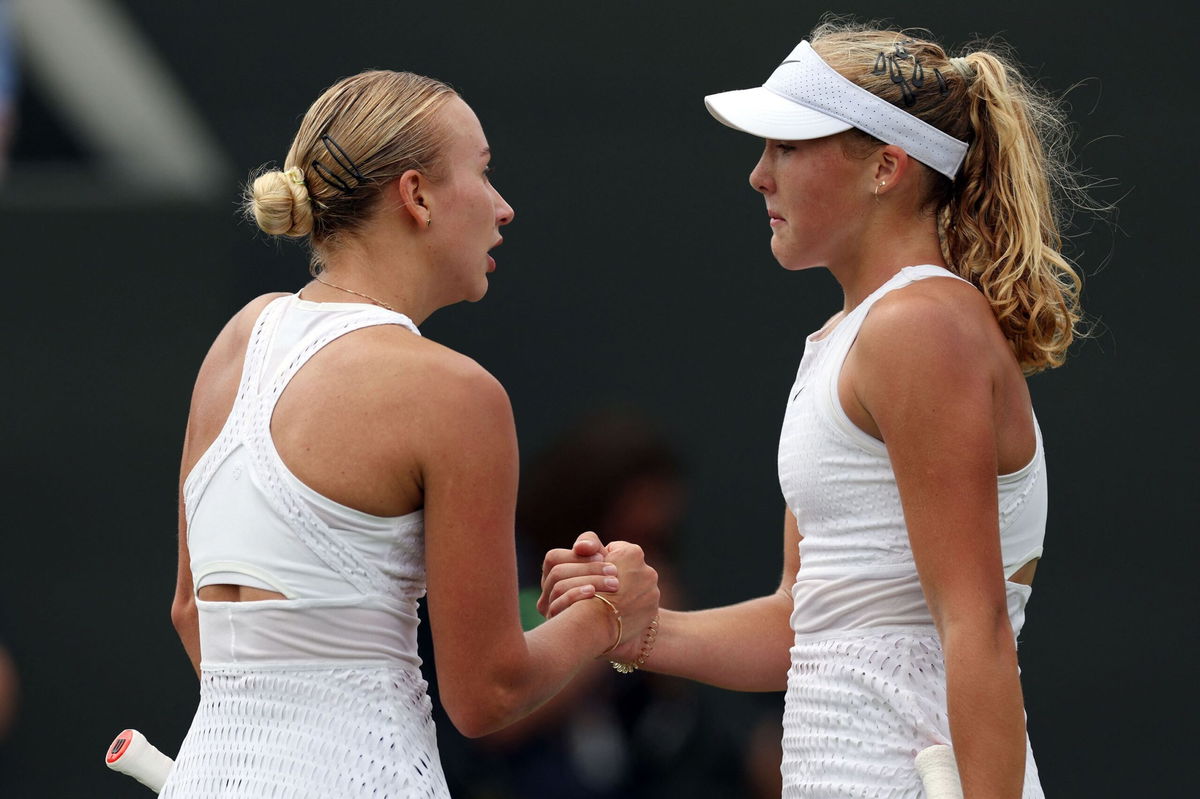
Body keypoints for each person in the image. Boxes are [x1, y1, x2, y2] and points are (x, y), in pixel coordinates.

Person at [541, 19, 1095, 798]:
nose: (759, 176)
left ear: (886, 168)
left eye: (788, 147)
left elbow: (978, 628)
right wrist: (638, 629)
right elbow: (801, 623)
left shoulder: (919, 326)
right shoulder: (849, 336)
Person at [165, 70, 659, 798]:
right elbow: (488, 691)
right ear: (417, 195)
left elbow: (191, 609)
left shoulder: (238, 339)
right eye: (484, 173)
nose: (503, 207)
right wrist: (611, 613)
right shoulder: (455, 393)